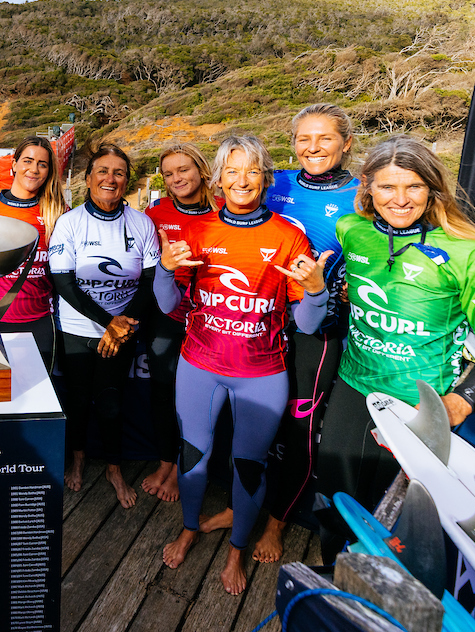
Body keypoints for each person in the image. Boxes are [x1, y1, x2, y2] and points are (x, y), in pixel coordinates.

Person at [316, 136, 475, 557]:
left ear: (432, 189)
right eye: (387, 187)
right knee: (335, 500)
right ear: (367, 187)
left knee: (391, 522)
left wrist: (459, 403)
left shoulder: (470, 254)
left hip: (418, 401)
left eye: (413, 186)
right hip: (353, 386)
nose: (400, 199)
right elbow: (362, 290)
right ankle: (335, 579)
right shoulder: (351, 230)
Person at [154, 135, 330, 595]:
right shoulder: (199, 231)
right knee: (193, 457)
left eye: (252, 170)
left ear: (266, 178)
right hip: (199, 365)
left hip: (261, 373)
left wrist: (316, 290)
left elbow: (307, 324)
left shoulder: (288, 237)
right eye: (231, 171)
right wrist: (165, 269)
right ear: (218, 179)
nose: (242, 180)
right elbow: (167, 303)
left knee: (249, 467)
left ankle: (236, 551)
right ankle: (189, 528)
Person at [204, 104, 360, 561]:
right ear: (292, 144)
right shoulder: (277, 182)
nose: (313, 148)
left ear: (346, 143)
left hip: (317, 331)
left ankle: (277, 523)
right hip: (260, 324)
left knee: (298, 433)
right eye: (303, 139)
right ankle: (237, 506)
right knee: (246, 421)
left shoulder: (363, 194)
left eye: (325, 138)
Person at [48, 143, 160, 509]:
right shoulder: (70, 222)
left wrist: (122, 326)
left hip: (123, 329)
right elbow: (63, 282)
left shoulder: (142, 223)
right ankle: (79, 458)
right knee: (79, 400)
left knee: (112, 402)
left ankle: (114, 469)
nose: (110, 178)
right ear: (87, 178)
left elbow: (150, 282)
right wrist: (108, 323)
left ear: (127, 181)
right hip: (78, 329)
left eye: (119, 173)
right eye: (102, 171)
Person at [140, 144, 218, 502]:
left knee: (197, 401)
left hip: (210, 321)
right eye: (168, 173)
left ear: (201, 170)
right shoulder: (155, 213)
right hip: (166, 316)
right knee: (162, 394)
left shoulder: (224, 210)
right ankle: (166, 462)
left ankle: (185, 467)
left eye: (183, 170)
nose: (176, 179)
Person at [0, 137, 67, 371]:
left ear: (49, 171)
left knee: (38, 389)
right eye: (27, 161)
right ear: (14, 164)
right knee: (0, 391)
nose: (34, 169)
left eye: (42, 164)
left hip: (41, 321)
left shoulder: (58, 212)